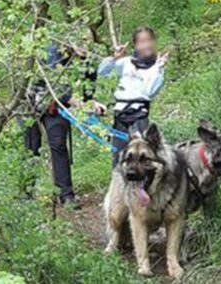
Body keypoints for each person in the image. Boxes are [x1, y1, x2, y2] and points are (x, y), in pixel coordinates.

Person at [24, 40, 106, 206]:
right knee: (32, 148)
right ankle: (26, 194)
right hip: (31, 103)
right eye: (82, 41)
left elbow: (88, 89)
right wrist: (78, 104)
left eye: (89, 42)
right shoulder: (53, 52)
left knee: (58, 144)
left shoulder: (87, 60)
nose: (85, 46)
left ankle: (66, 195)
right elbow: (57, 89)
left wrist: (92, 103)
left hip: (55, 107)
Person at [98, 26, 169, 166]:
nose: (146, 45)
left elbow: (150, 92)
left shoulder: (157, 66)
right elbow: (102, 72)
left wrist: (159, 68)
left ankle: (142, 186)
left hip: (139, 116)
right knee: (119, 156)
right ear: (135, 45)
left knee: (141, 157)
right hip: (120, 115)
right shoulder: (126, 62)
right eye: (142, 42)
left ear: (154, 42)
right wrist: (114, 57)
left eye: (149, 40)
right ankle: (119, 185)